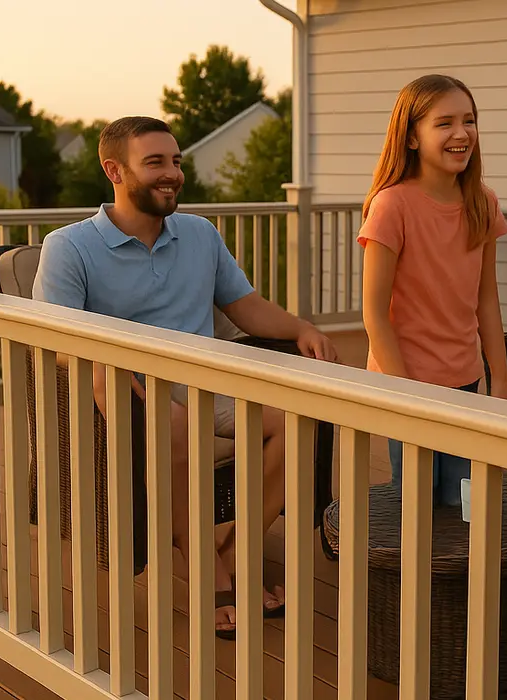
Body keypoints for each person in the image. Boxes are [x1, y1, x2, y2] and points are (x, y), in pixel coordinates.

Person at [33, 116, 339, 639]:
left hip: (212, 382)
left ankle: (236, 552)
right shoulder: (70, 247)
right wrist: (105, 364)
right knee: (172, 427)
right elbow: (53, 338)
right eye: (155, 162)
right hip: (133, 389)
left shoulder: (199, 233)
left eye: (175, 161)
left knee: (301, 418)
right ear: (114, 170)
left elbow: (243, 306)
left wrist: (301, 329)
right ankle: (211, 576)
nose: (172, 173)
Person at [358, 74, 507, 506]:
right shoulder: (392, 205)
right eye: (444, 123)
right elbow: (374, 313)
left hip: (465, 380)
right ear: (411, 137)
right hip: (406, 382)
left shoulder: (484, 201)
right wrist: (407, 395)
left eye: (469, 120)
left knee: (465, 504)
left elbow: (486, 299)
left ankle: (464, 576)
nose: (462, 133)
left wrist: (499, 380)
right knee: (418, 503)